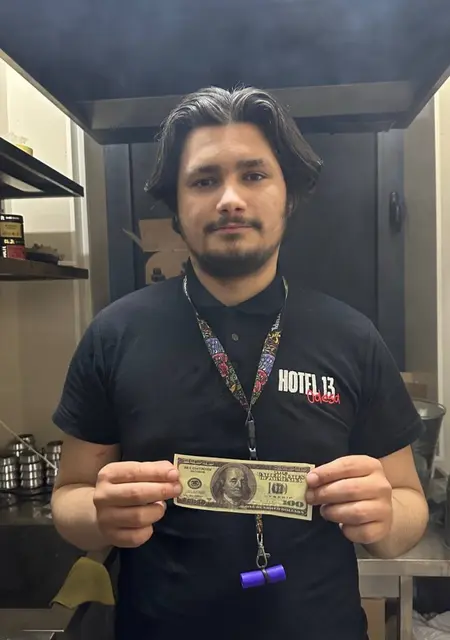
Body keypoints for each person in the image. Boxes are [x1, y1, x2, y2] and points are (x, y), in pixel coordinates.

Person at [51, 86, 428, 640]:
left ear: (288, 195)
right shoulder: (114, 335)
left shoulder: (352, 337)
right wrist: (96, 515)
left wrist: (387, 517)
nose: (230, 199)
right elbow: (70, 497)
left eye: (253, 175)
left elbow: (408, 508)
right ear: (176, 207)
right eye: (204, 181)